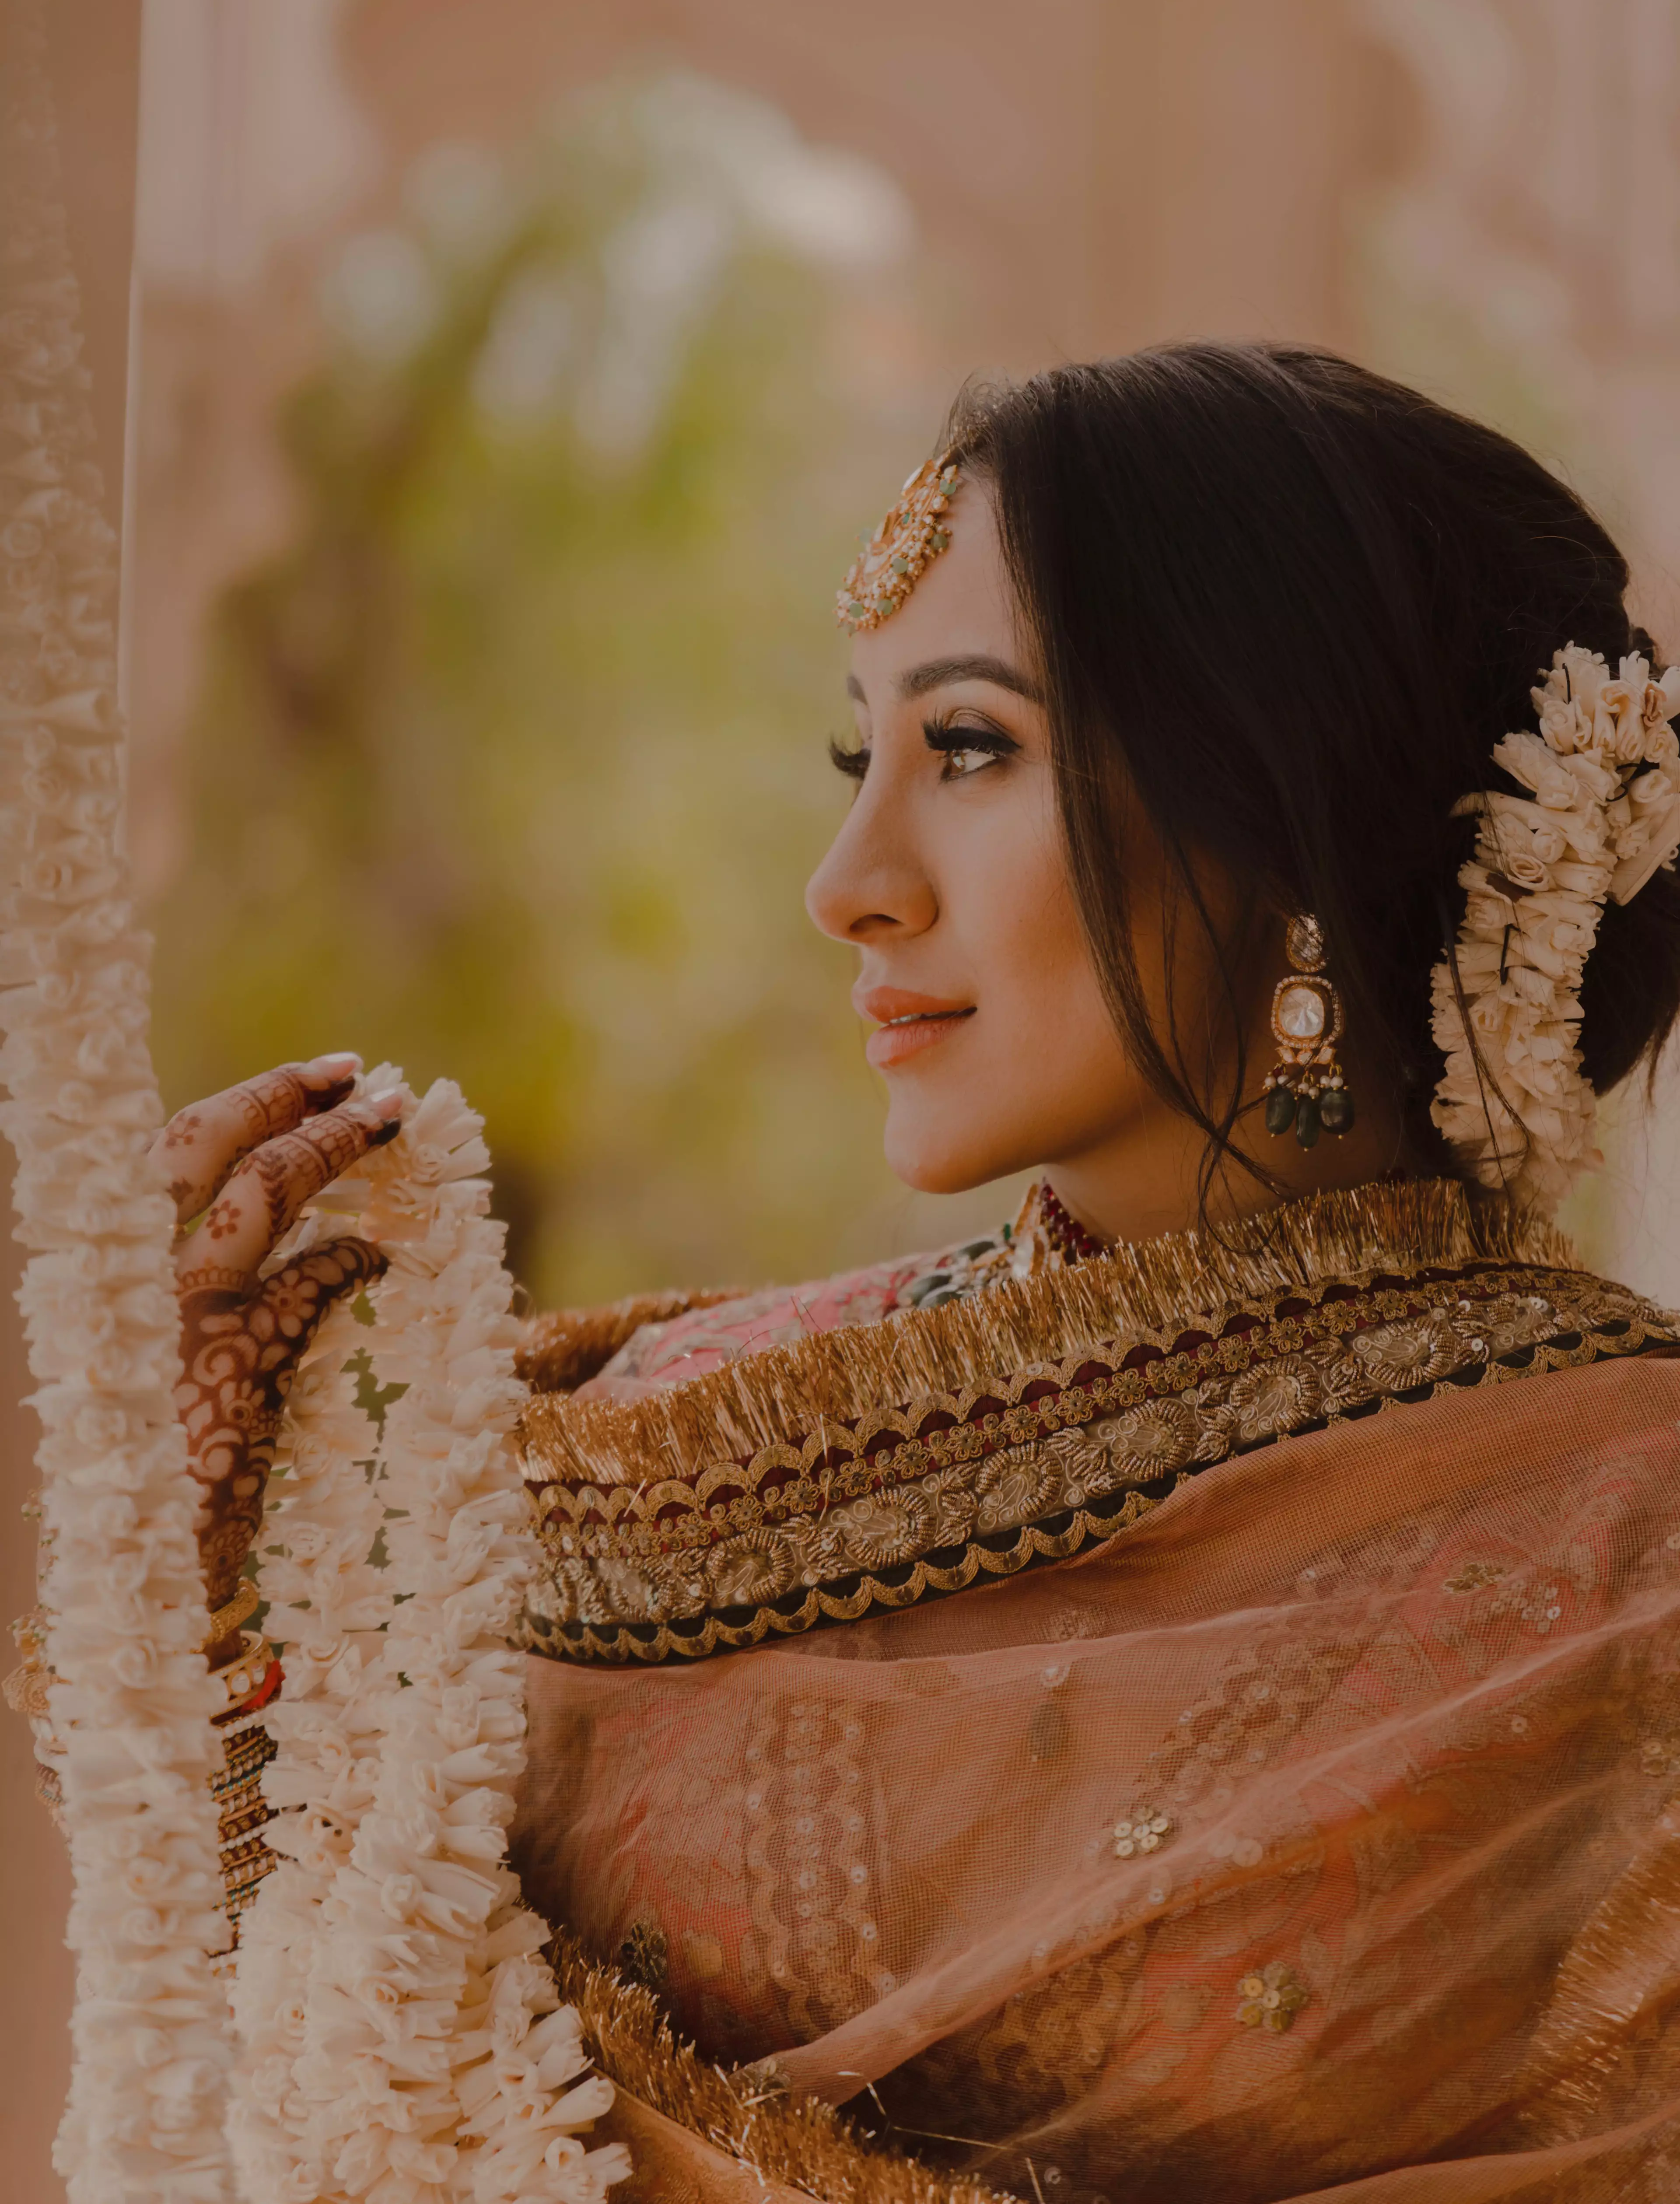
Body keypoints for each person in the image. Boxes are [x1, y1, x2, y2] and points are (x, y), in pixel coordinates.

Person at [149, 346, 1680, 2201]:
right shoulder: (649, 1436)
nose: (847, 878)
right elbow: (349, 2012)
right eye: (854, 756)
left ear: (1291, 811)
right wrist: (212, 1532)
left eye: (969, 748)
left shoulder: (1631, 1539)